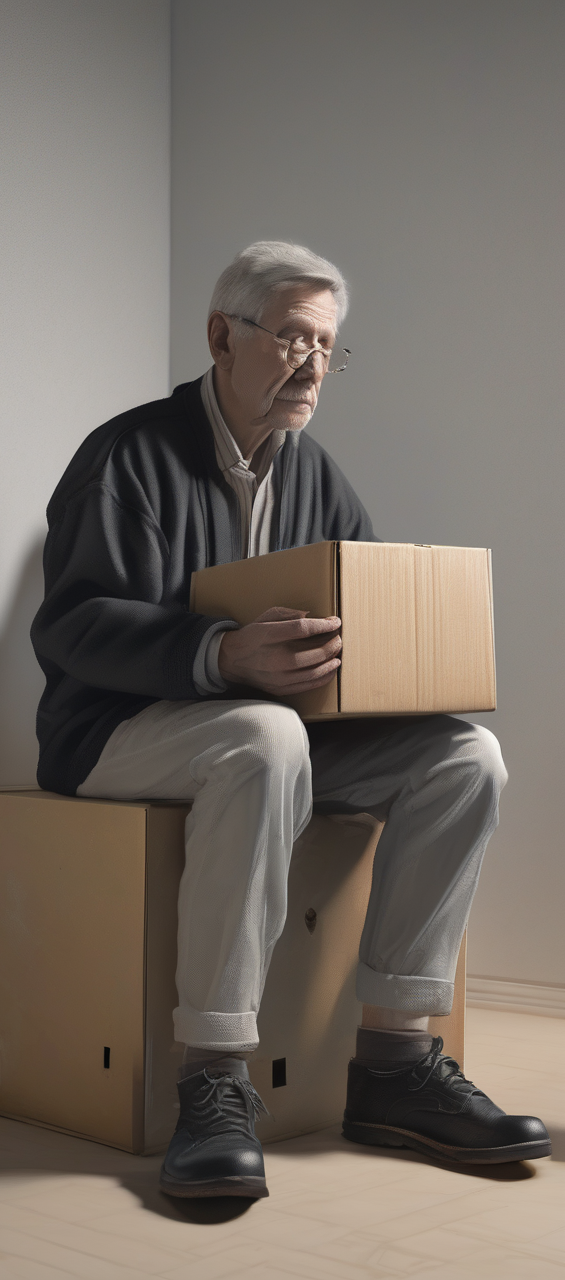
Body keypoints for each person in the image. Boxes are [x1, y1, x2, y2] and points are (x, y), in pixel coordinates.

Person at [31, 241, 550, 1198]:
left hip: (268, 737)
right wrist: (222, 652)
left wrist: (396, 664)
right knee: (265, 737)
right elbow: (69, 627)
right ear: (222, 337)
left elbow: (368, 603)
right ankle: (213, 1076)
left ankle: (396, 1065)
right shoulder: (125, 456)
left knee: (466, 756)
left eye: (326, 347)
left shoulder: (318, 475)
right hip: (112, 734)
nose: (312, 365)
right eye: (293, 339)